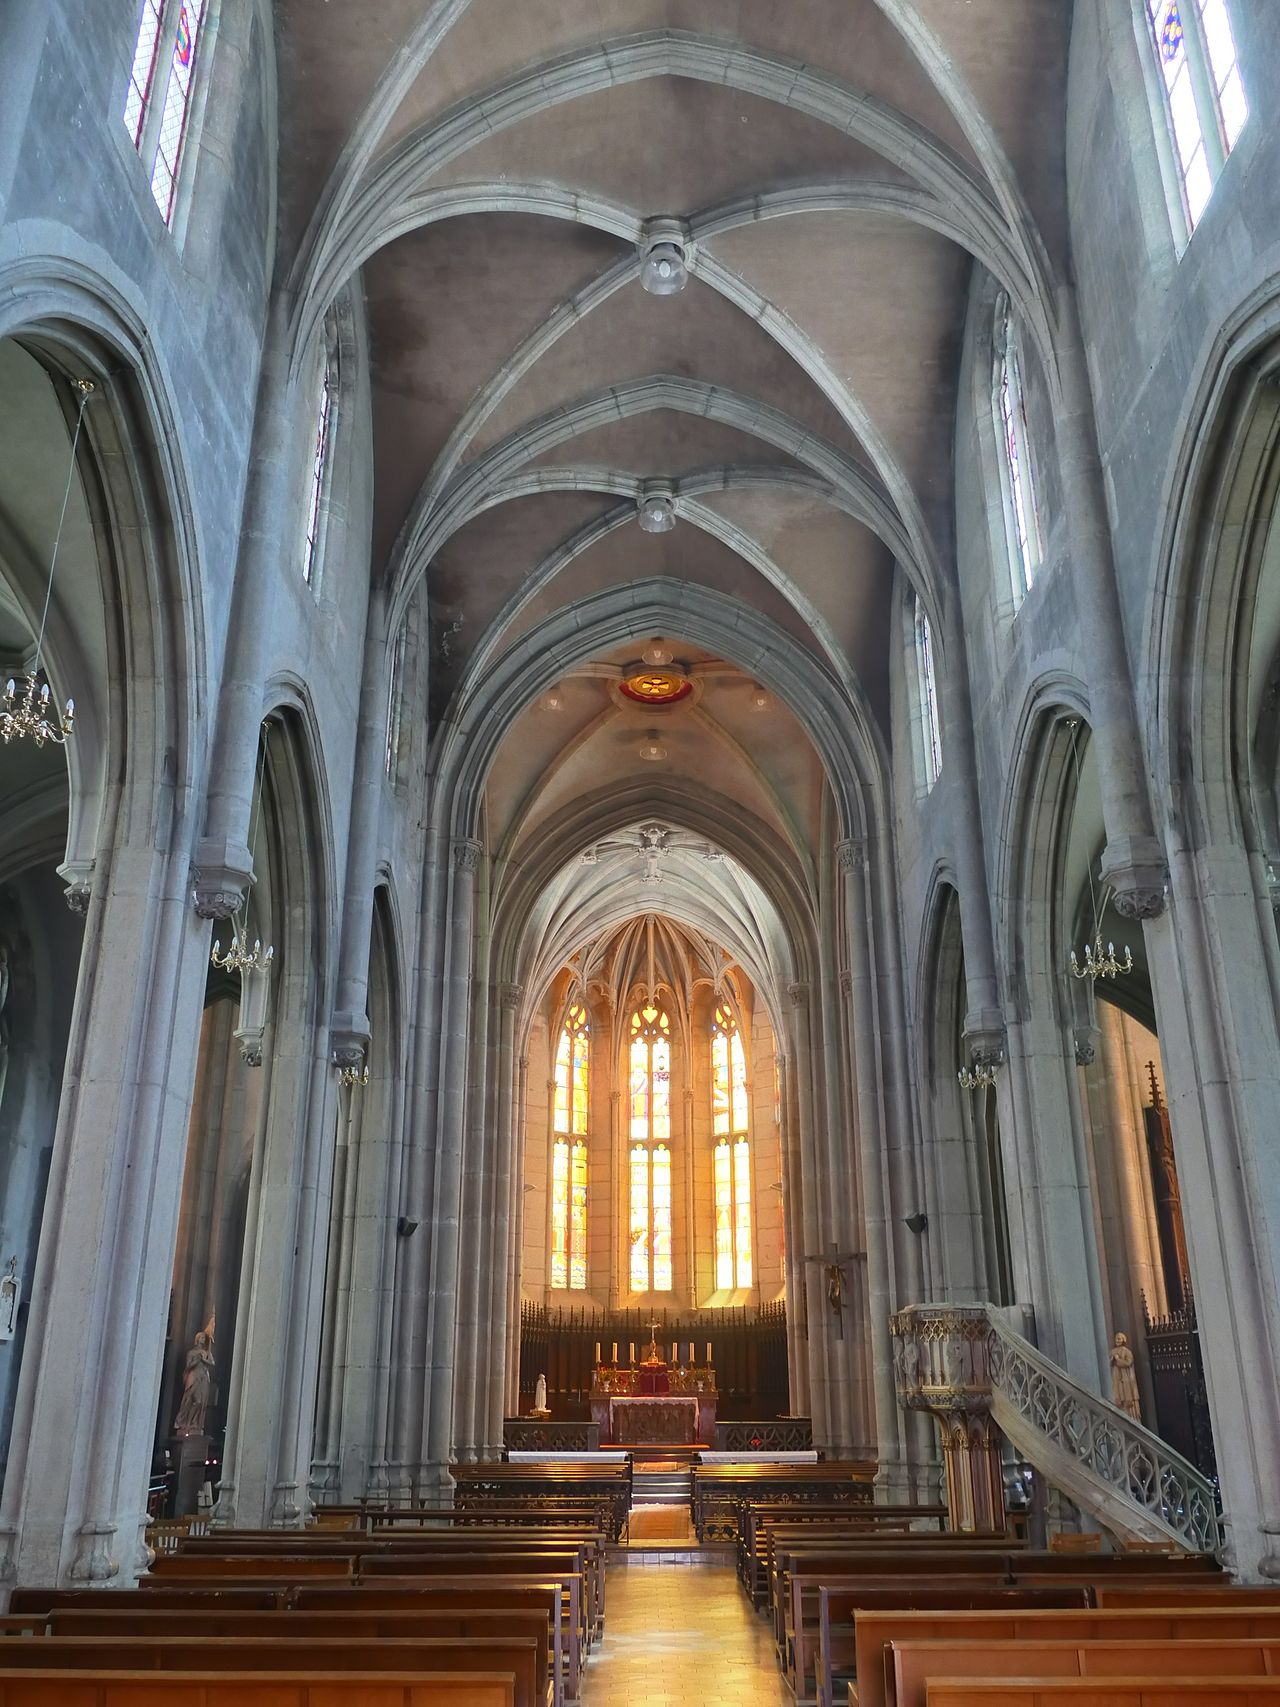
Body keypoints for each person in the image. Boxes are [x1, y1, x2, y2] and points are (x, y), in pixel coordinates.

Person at [174, 1316, 216, 1435]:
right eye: (201, 1338)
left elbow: (212, 1363)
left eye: (204, 1338)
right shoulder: (191, 1352)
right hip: (193, 1377)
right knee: (189, 1400)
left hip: (203, 1377)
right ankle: (183, 1422)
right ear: (197, 1339)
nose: (203, 1340)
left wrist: (204, 1360)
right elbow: (189, 1365)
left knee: (200, 1402)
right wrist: (198, 1359)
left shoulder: (207, 1352)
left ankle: (194, 1423)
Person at [1109, 1330, 1142, 1421]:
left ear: (1123, 1340)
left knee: (1127, 1397)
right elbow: (1109, 1364)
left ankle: (1132, 1417)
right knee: (1118, 1397)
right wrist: (1112, 1360)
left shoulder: (1127, 1352)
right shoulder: (1112, 1351)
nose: (1117, 1340)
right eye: (1116, 1339)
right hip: (1116, 1378)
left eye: (1119, 1339)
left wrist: (1118, 1359)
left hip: (1126, 1378)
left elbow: (1128, 1363)